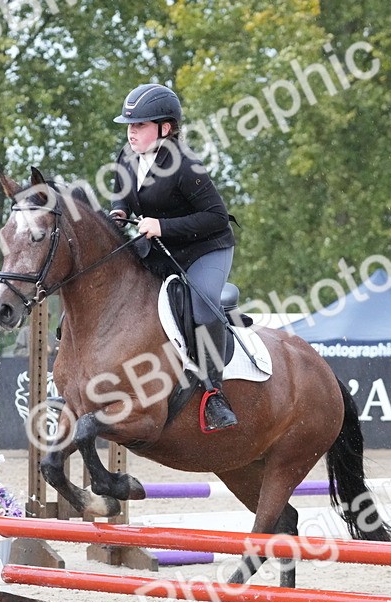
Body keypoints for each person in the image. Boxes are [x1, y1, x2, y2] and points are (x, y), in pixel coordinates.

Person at [108, 83, 239, 432]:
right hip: (159, 249)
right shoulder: (126, 156)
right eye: (129, 125)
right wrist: (118, 213)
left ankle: (215, 393)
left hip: (206, 249)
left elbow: (215, 217)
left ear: (165, 129)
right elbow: (121, 197)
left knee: (202, 303)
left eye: (140, 125)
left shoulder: (185, 165)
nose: (131, 132)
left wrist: (162, 226)